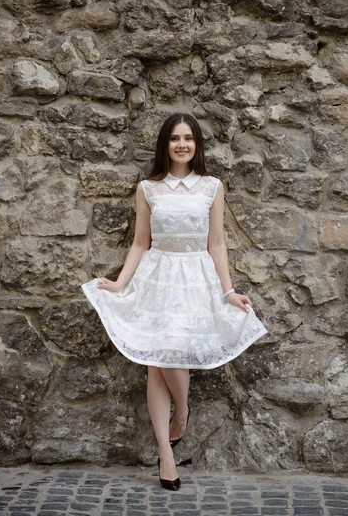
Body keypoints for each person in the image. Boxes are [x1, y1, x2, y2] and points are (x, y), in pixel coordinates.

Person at [81, 113, 268, 491]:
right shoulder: (148, 188)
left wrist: (228, 290)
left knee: (172, 354)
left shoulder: (212, 186)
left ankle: (181, 410)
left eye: (188, 138)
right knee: (156, 362)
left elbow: (216, 243)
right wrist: (119, 283)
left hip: (196, 278)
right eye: (174, 139)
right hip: (157, 276)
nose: (182, 144)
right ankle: (166, 455)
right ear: (164, 145)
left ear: (196, 144)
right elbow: (139, 242)